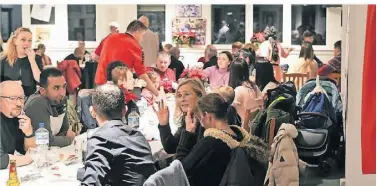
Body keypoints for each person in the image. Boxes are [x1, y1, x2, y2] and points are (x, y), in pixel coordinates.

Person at [158, 93, 249, 186]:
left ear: (207, 116)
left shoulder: (211, 144)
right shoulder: (239, 136)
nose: (201, 123)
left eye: (200, 117)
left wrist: (188, 133)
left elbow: (179, 171)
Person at [80, 84, 156, 185]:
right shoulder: (139, 137)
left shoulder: (100, 139)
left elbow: (91, 183)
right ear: (125, 110)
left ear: (92, 112)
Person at [95, 20, 159, 97]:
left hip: (100, 84)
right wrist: (156, 93)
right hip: (117, 88)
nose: (142, 39)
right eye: (142, 36)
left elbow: (95, 56)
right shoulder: (136, 47)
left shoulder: (109, 37)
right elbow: (142, 74)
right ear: (137, 32)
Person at [24, 68, 75, 147]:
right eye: (56, 88)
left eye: (64, 87)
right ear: (42, 91)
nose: (62, 93)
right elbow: (45, 141)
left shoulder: (62, 99)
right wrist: (69, 139)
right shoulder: (37, 103)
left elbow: (65, 130)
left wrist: (59, 139)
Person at [155, 79, 206, 154]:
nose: (182, 99)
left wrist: (189, 134)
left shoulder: (206, 122)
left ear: (199, 96)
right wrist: (164, 125)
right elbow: (171, 148)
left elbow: (191, 159)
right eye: (179, 95)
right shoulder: (188, 118)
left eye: (186, 94)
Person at [0, 81, 34, 169]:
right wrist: (28, 159)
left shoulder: (18, 118)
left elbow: (29, 151)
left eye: (21, 98)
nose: (19, 104)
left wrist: (28, 133)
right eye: (12, 98)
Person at [0, 27, 43, 97]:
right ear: (15, 41)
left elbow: (40, 80)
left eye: (30, 40)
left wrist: (32, 60)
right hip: (9, 98)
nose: (27, 43)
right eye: (23, 40)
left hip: (29, 99)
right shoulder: (3, 59)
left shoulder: (36, 58)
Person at [229, 58, 263, 123]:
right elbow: (261, 103)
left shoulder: (238, 91)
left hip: (242, 129)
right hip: (256, 126)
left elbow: (231, 112)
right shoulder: (254, 87)